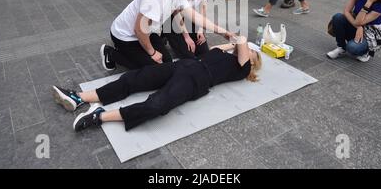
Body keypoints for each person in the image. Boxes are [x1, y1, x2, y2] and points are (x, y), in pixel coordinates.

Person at [52, 35, 261, 132]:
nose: (247, 48)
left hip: (197, 79)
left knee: (158, 104)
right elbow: (223, 46)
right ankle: (78, 97)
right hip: (185, 65)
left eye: (252, 51)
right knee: (135, 78)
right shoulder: (226, 54)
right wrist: (232, 43)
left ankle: (99, 116)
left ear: (252, 60)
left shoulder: (242, 68)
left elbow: (242, 45)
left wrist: (241, 42)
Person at [99, 0, 234, 70]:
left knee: (167, 63)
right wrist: (152, 52)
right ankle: (110, 53)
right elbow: (139, 29)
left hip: (146, 32)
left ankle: (140, 55)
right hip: (125, 36)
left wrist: (223, 32)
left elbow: (196, 17)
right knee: (153, 69)